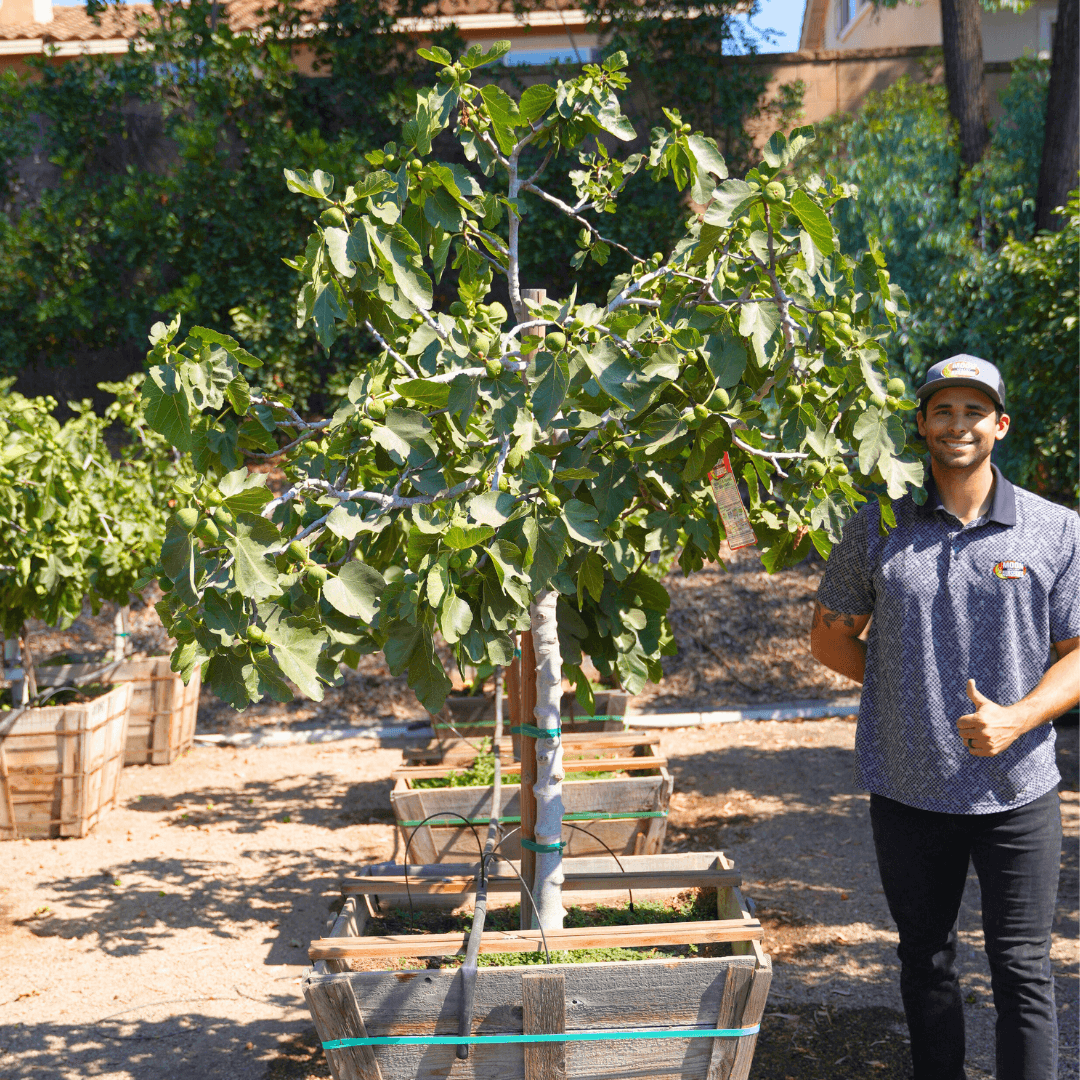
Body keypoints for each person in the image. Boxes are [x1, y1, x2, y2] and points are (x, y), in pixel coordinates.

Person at [809, 354, 1079, 1080]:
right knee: (925, 960)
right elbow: (830, 635)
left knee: (1023, 968)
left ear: (1000, 424)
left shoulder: (1056, 530)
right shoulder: (877, 525)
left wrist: (1018, 719)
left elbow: (1078, 651)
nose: (957, 424)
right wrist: (903, 690)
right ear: (922, 425)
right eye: (943, 410)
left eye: (973, 410)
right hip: (907, 786)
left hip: (1017, 790)